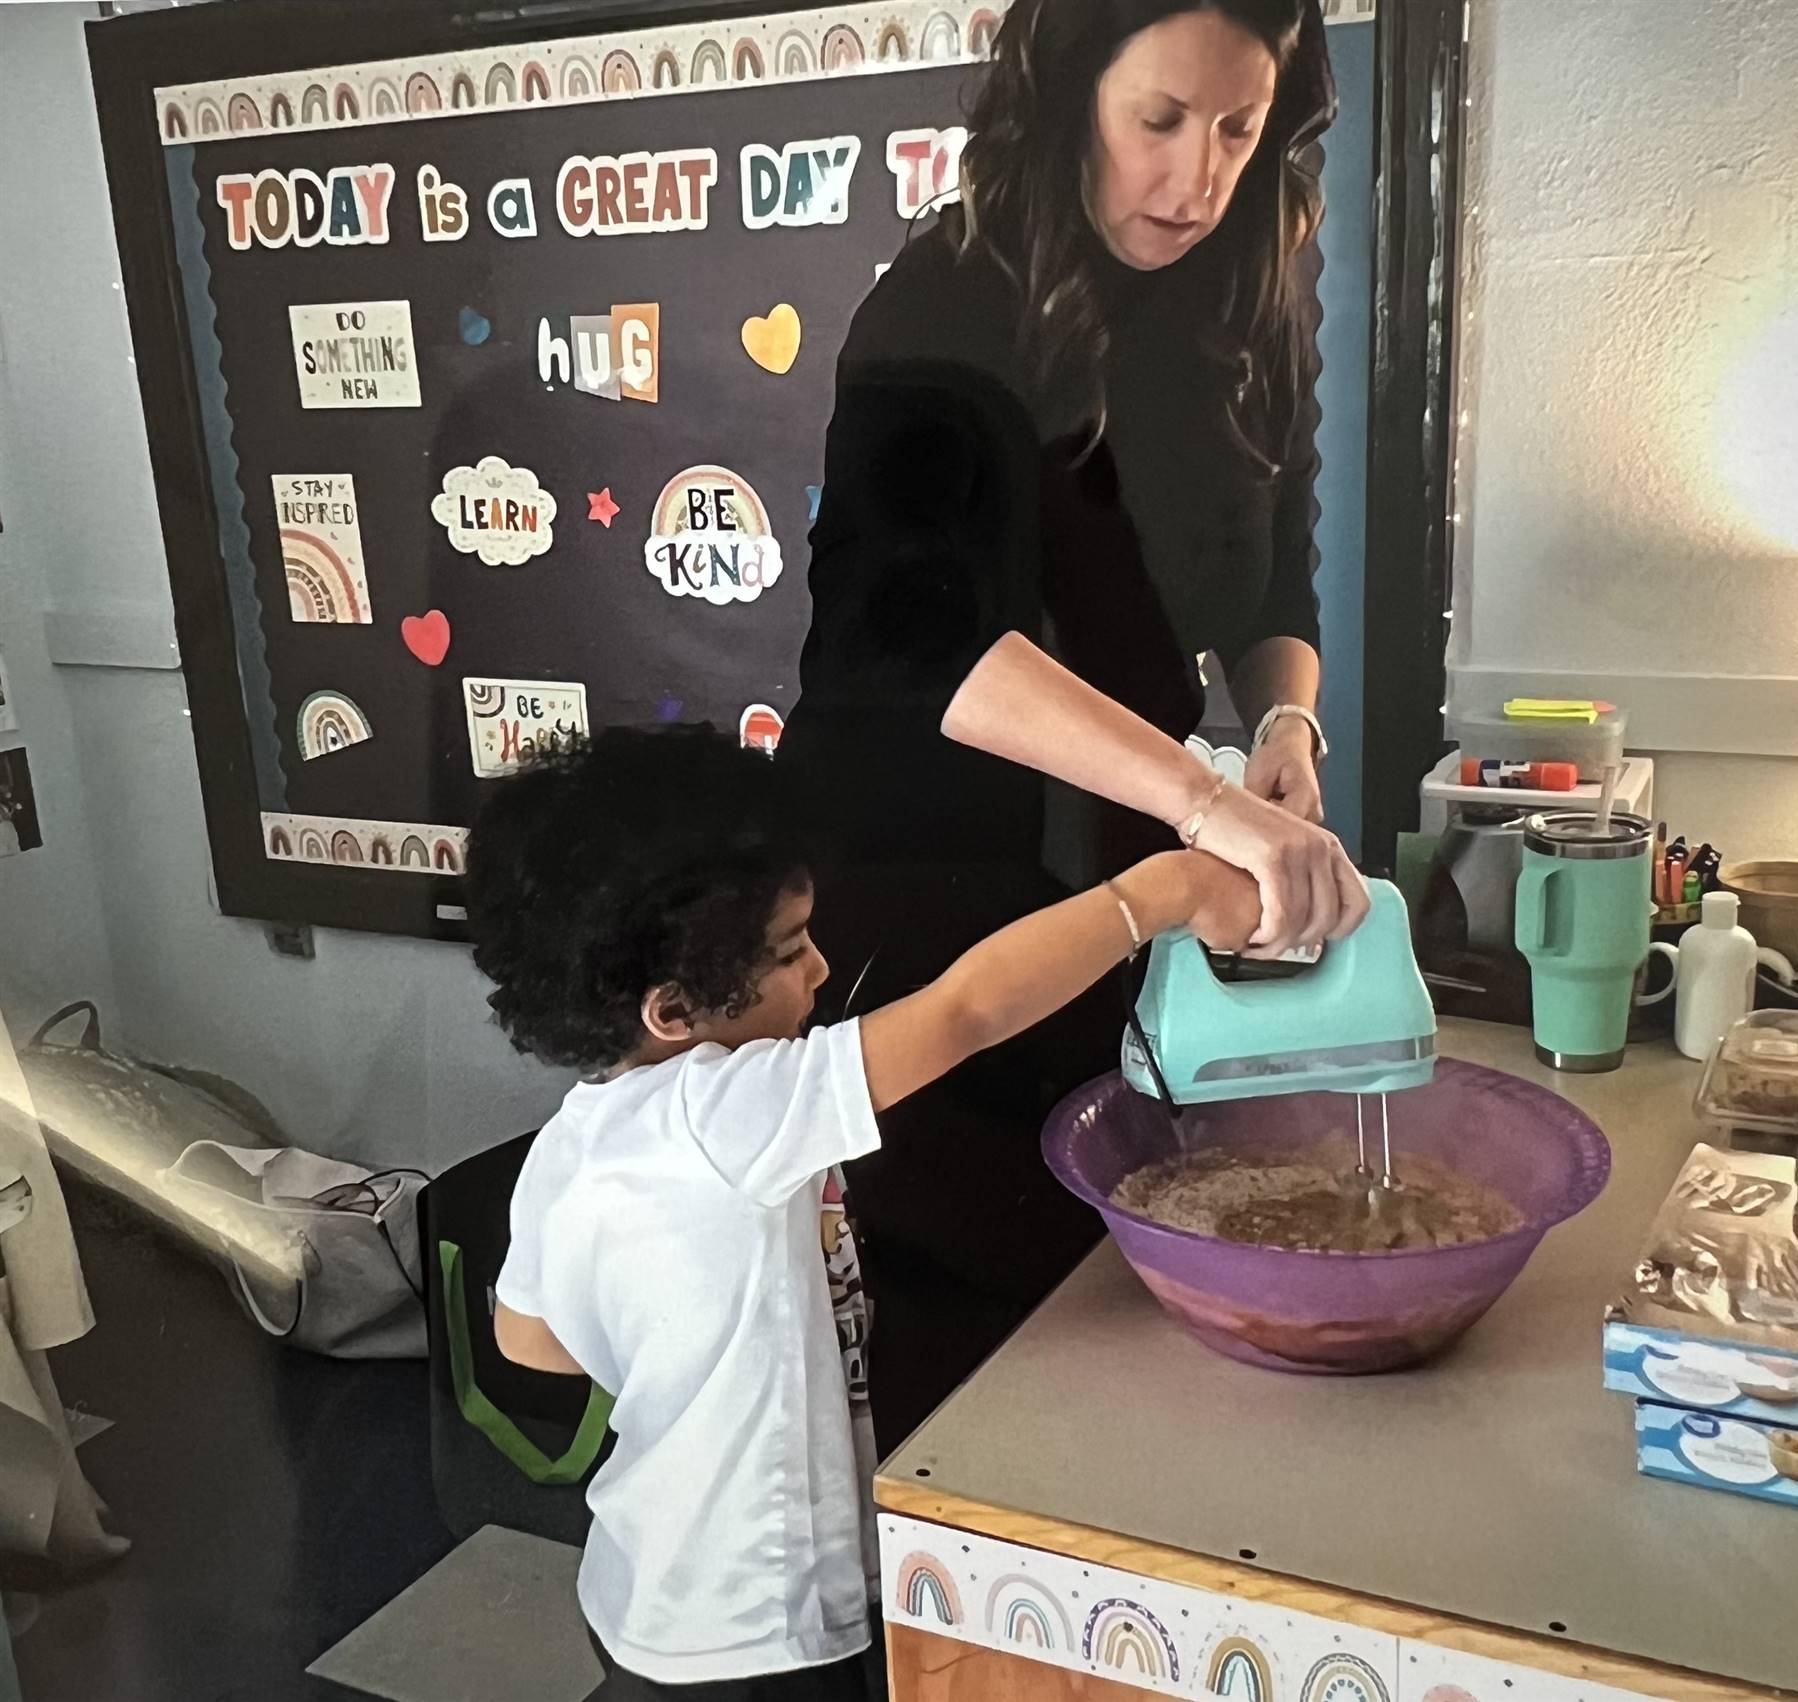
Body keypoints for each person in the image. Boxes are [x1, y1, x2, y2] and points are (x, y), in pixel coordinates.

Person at [778, 0, 1367, 1451]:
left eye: (1240, 129)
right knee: (951, 1304)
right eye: (1160, 121)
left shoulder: (1249, 287)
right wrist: (1208, 803)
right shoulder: (944, 303)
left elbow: (1272, 573)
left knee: (1102, 1271)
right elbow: (909, 636)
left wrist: (1283, 719)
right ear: (1067, 94)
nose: (1200, 177)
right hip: (915, 869)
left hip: (1117, 842)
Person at [463, 726, 1259, 1699]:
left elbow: (530, 1341)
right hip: (763, 1626)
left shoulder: (576, 1137)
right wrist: (1165, 893)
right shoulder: (730, 1110)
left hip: (643, 1587)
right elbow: (968, 1008)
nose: (822, 970)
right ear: (673, 1011)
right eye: (791, 951)